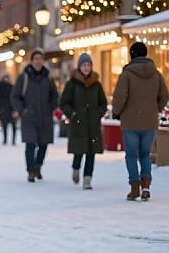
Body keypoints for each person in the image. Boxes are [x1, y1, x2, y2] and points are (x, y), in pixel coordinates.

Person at [112, 42, 168, 201]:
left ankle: (134, 187)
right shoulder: (156, 74)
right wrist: (155, 108)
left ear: (132, 55)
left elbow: (120, 96)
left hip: (130, 121)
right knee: (145, 155)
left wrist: (117, 112)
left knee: (131, 155)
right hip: (149, 121)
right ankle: (146, 186)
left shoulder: (127, 74)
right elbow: (164, 95)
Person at [59, 53, 107, 190]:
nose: (86, 67)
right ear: (79, 67)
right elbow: (64, 103)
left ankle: (87, 179)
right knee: (78, 152)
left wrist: (98, 113)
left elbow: (103, 103)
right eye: (84, 65)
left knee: (91, 154)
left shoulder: (96, 84)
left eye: (88, 65)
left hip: (92, 125)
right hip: (78, 125)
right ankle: (75, 169)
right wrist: (72, 114)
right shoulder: (72, 83)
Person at [11, 48, 59, 182]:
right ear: (31, 61)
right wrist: (22, 110)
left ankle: (38, 166)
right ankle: (31, 171)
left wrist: (50, 107)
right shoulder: (24, 77)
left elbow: (55, 95)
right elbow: (15, 96)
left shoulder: (48, 76)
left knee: (43, 145)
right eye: (36, 59)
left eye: (40, 59)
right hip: (29, 117)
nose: (38, 61)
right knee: (30, 145)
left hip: (45, 117)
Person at [0, 74, 16, 144]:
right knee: (5, 125)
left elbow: (15, 98)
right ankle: (5, 139)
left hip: (9, 108)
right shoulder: (0, 87)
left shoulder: (11, 87)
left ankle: (13, 140)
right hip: (3, 108)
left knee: (13, 125)